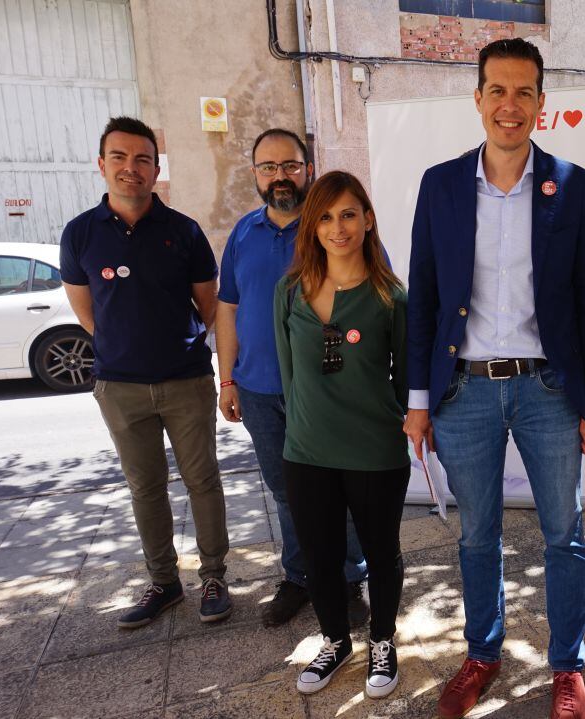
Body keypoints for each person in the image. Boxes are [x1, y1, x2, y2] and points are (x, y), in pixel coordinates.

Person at [404, 37, 585, 719]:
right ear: (478, 99)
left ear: (542, 104)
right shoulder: (440, 184)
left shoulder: (571, 186)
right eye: (497, 90)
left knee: (565, 534)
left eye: (524, 92)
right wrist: (418, 400)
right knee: (476, 535)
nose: (510, 105)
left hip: (548, 389)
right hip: (464, 390)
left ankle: (567, 666)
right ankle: (483, 653)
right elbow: (425, 298)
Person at [60, 116, 232, 628]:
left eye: (141, 159)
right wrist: (126, 347)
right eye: (119, 157)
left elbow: (209, 307)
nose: (130, 169)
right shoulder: (80, 234)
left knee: (203, 480)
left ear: (156, 168)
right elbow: (87, 312)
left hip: (185, 380)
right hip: (119, 387)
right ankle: (164, 582)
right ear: (101, 164)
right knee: (145, 487)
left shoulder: (183, 231)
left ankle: (215, 577)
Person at [216, 128, 370, 629]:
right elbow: (228, 307)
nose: (279, 176)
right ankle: (301, 577)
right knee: (286, 491)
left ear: (308, 168)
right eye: (268, 167)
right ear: (256, 174)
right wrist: (227, 379)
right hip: (260, 390)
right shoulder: (243, 233)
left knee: (339, 489)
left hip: (328, 390)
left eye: (289, 165)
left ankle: (348, 579)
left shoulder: (334, 227)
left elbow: (377, 299)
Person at [274, 170, 409, 698]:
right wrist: (307, 425)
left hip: (376, 451)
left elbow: (404, 374)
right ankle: (334, 640)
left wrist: (394, 418)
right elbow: (289, 376)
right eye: (326, 217)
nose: (338, 227)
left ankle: (382, 640)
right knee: (320, 555)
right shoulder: (288, 293)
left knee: (381, 552)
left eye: (349, 214)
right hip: (307, 451)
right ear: (312, 226)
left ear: (368, 219)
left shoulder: (390, 296)